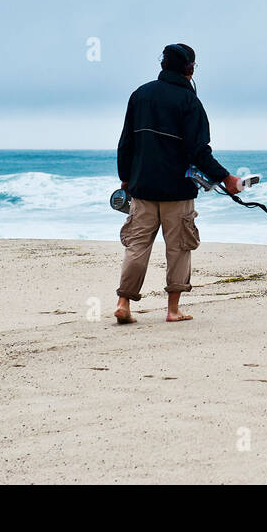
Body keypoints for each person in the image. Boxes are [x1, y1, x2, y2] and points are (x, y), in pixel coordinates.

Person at [113, 43, 242, 324]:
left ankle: (124, 302)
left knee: (136, 246)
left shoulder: (140, 95)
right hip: (177, 192)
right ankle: (172, 310)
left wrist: (125, 178)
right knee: (179, 248)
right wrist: (226, 178)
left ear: (162, 65)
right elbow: (198, 151)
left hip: (143, 188)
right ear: (189, 68)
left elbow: (126, 142)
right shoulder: (189, 102)